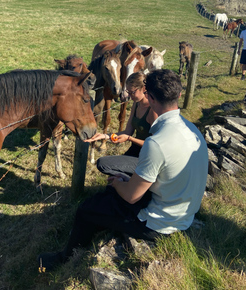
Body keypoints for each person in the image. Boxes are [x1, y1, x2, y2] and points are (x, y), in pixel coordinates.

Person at [38, 69, 209, 272]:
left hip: (158, 224)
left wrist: (119, 182)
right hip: (184, 214)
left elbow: (131, 197)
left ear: (150, 97)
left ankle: (65, 258)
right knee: (108, 199)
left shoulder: (156, 143)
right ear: (179, 95)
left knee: (85, 210)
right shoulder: (193, 130)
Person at [85, 71, 157, 177]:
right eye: (128, 91)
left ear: (144, 89)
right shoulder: (136, 105)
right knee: (111, 171)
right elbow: (127, 132)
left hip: (149, 156)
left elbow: (156, 145)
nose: (129, 95)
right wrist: (104, 136)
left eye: (132, 92)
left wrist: (129, 139)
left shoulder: (153, 111)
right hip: (136, 149)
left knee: (109, 168)